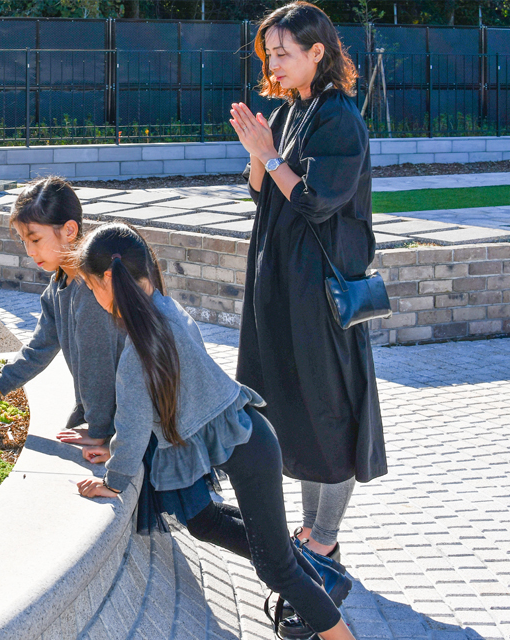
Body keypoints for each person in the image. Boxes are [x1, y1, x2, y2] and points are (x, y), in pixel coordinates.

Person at [73, 223, 356, 640]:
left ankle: (336, 621)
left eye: (91, 286)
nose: (93, 296)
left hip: (250, 451)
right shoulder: (167, 311)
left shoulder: (138, 354)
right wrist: (115, 456)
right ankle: (322, 579)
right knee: (224, 529)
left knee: (277, 569)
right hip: (252, 439)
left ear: (111, 281)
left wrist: (113, 483)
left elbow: (133, 428)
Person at [229, 1, 387, 564]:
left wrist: (270, 158)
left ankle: (325, 539)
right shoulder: (289, 111)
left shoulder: (338, 117)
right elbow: (263, 191)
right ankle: (309, 531)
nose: (273, 63)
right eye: (268, 54)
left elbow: (315, 201)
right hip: (281, 289)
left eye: (284, 53)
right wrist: (258, 155)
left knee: (328, 413)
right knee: (291, 407)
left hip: (319, 294)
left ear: (317, 52)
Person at [0, 176, 126, 448]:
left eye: (35, 239)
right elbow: (38, 348)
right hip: (116, 415)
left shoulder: (92, 290)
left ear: (70, 230)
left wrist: (99, 431)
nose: (29, 251)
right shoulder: (59, 284)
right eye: (24, 241)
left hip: (137, 418)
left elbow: (98, 369)